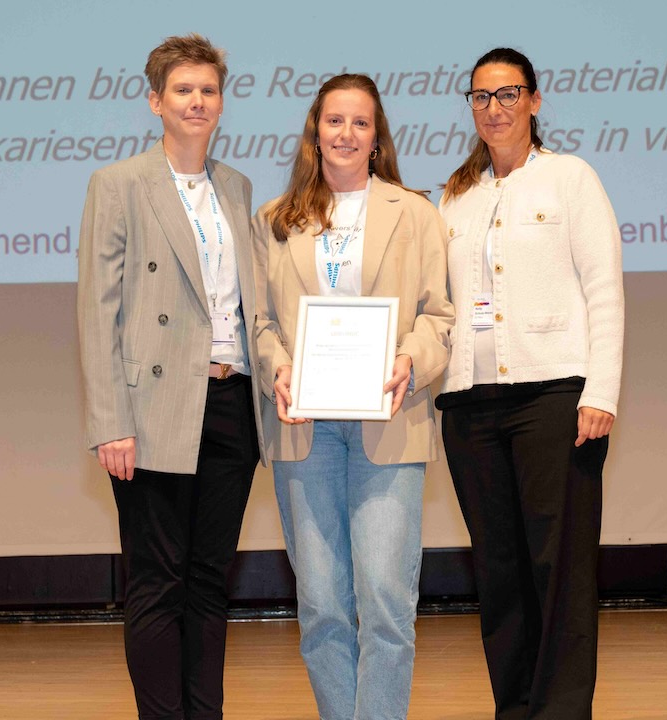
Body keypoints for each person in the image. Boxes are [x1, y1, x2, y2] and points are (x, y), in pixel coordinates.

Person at [252, 74, 454, 720]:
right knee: (320, 607)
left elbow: (439, 317)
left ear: (377, 137)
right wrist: (279, 367)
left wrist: (407, 361)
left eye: (359, 123)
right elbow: (260, 325)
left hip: (389, 423)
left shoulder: (414, 214)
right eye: (334, 121)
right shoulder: (274, 222)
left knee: (388, 605)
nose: (345, 134)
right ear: (316, 132)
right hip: (303, 428)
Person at [76, 34, 262, 720]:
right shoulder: (119, 184)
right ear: (155, 101)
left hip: (230, 403)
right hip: (152, 409)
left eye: (208, 90)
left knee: (210, 581)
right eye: (183, 90)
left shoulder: (237, 188)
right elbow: (98, 309)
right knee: (157, 583)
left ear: (221, 103)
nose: (197, 101)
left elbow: (249, 305)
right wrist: (110, 421)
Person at [436, 48, 625, 720]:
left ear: (536, 101)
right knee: (500, 574)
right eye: (483, 97)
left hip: (553, 398)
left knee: (561, 571)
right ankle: (514, 709)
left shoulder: (570, 179)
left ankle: (562, 712)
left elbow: (603, 288)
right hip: (468, 406)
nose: (495, 109)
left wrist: (600, 390)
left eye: (509, 94)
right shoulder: (456, 196)